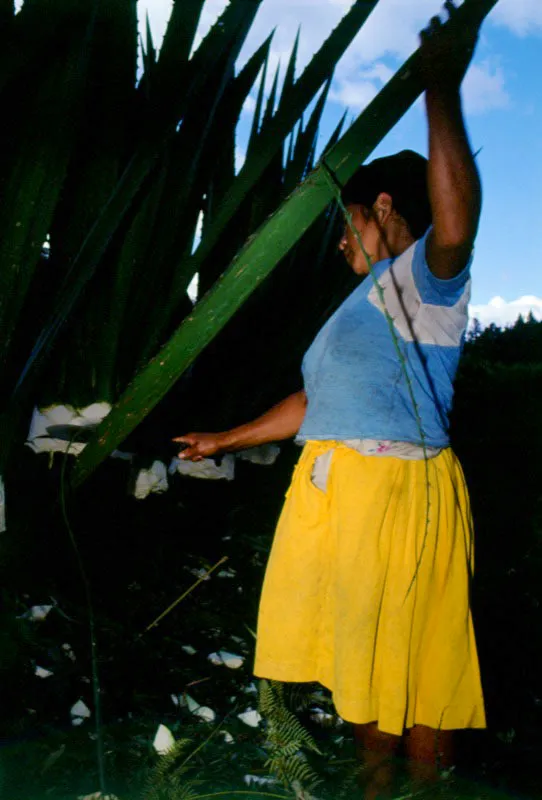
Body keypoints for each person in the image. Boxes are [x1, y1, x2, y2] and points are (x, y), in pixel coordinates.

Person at [173, 2, 486, 795]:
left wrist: (438, 88)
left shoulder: (423, 282)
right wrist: (225, 440)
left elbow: (455, 226)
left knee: (417, 669)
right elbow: (313, 403)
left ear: (383, 209)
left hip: (394, 494)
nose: (342, 242)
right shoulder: (358, 306)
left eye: (349, 223)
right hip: (342, 496)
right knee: (367, 671)